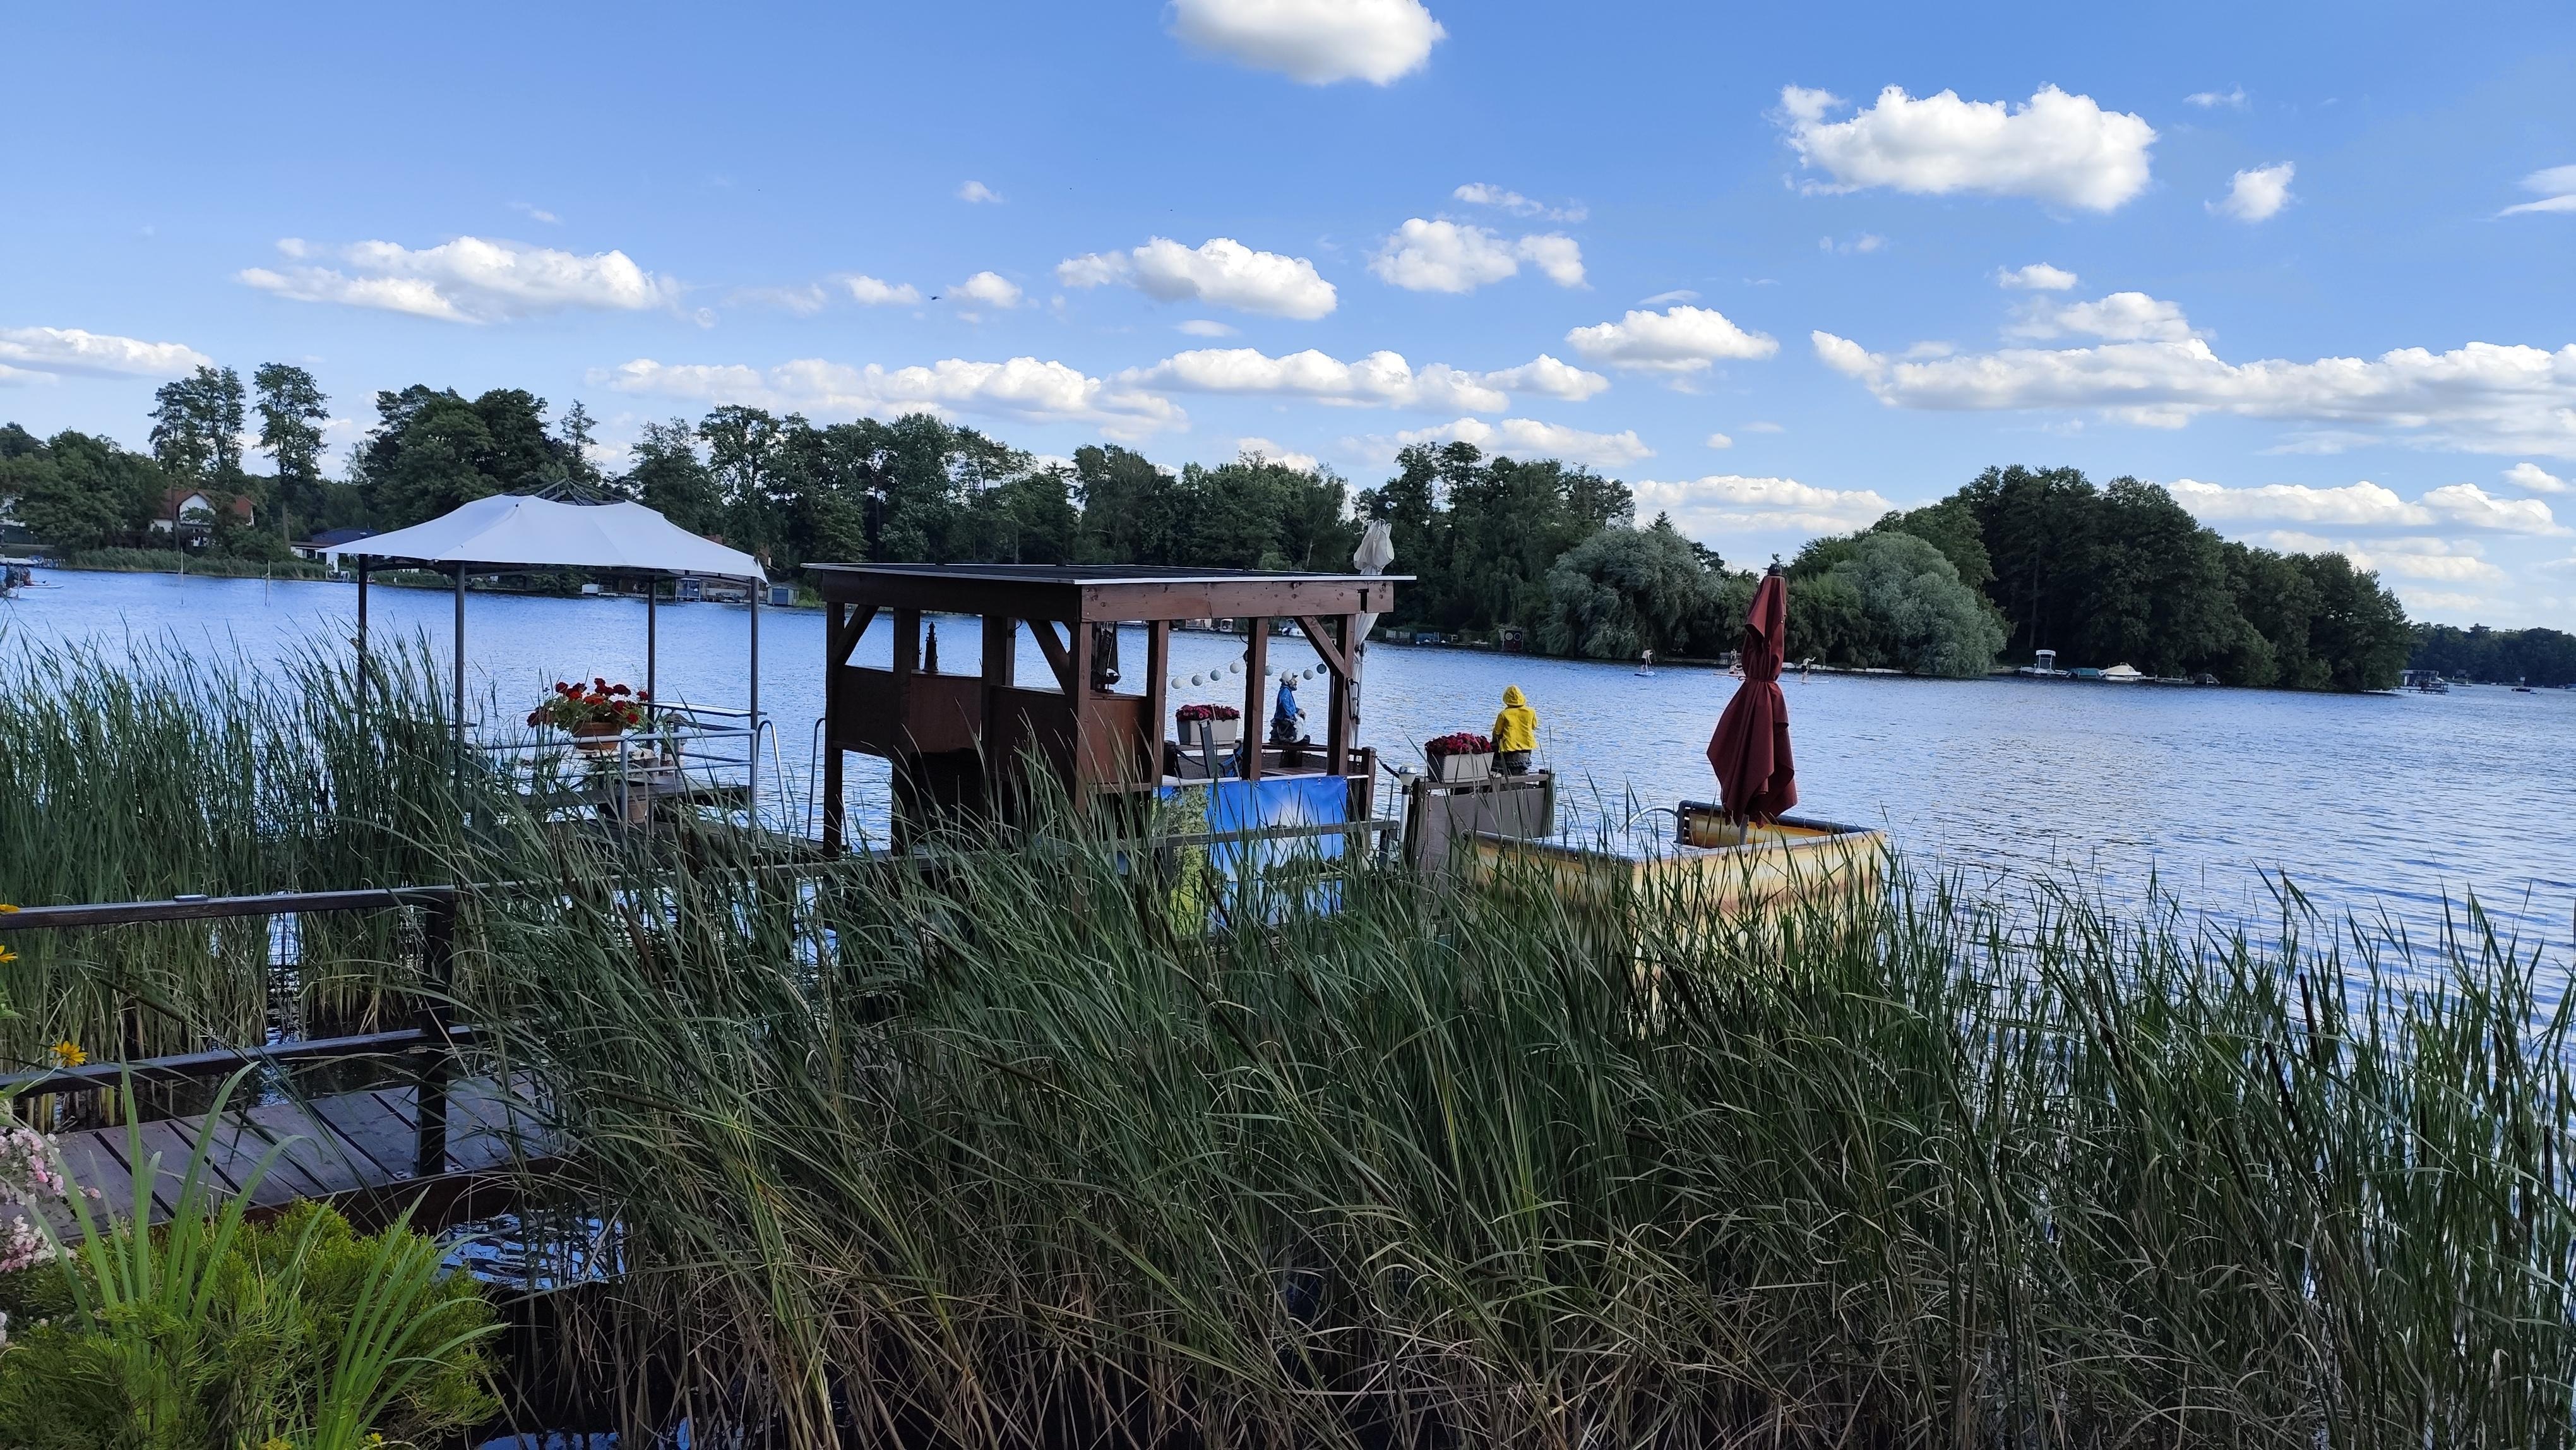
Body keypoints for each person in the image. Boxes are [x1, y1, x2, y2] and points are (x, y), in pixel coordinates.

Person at [1491, 684, 1536, 774]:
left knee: (1495, 762)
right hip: (1527, 746)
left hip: (1509, 748)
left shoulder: (1504, 714)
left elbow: (1497, 733)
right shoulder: (1531, 712)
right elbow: (1534, 726)